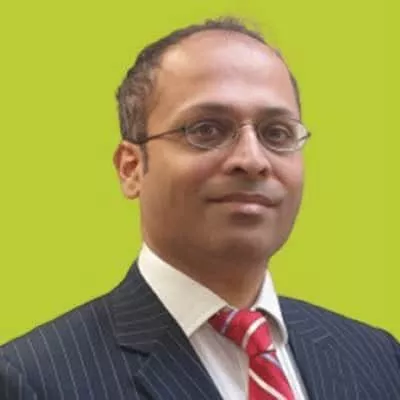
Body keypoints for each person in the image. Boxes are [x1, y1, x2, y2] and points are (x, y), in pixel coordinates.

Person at [0, 16, 399, 400]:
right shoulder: (33, 379)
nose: (253, 159)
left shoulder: (377, 357)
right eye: (206, 129)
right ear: (131, 168)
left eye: (276, 133)